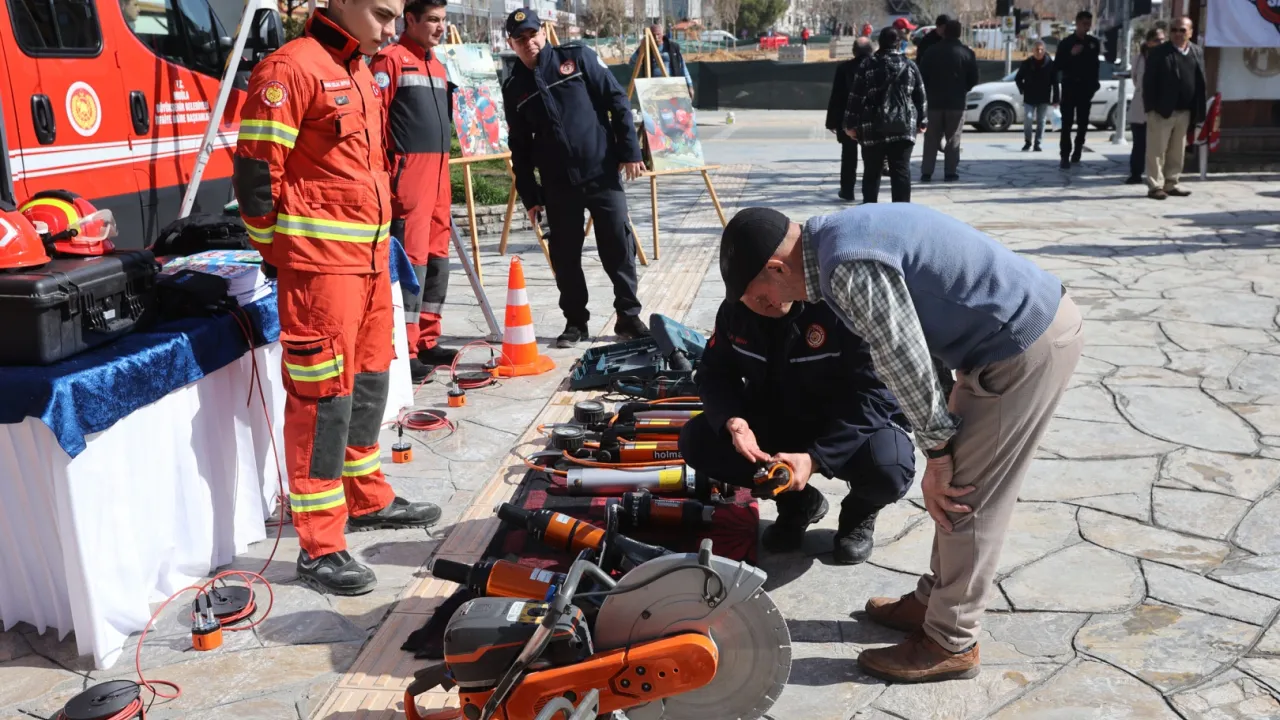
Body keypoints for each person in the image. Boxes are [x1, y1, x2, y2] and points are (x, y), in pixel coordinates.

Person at [718, 203, 1082, 683]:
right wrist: (943, 439)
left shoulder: (846, 267)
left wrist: (938, 455)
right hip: (1004, 339)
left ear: (776, 268)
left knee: (966, 500)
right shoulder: (834, 237)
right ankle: (935, 601)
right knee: (960, 490)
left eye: (757, 293)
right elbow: (917, 340)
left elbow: (902, 361)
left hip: (1019, 344)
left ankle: (951, 641)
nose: (762, 304)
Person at [234, 0, 442, 596]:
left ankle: (366, 496)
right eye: (381, 14)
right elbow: (256, 178)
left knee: (370, 381)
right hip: (321, 272)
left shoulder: (358, 69)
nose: (391, 29)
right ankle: (320, 545)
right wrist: (282, 251)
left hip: (370, 263)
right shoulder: (290, 69)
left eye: (396, 16)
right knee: (323, 400)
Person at [679, 298, 915, 565]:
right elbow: (714, 374)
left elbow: (877, 394)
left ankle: (859, 513)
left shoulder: (843, 306)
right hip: (778, 417)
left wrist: (816, 458)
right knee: (698, 440)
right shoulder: (734, 311)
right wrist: (733, 420)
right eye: (746, 293)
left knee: (890, 468)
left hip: (846, 424)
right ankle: (798, 503)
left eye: (762, 288)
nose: (761, 301)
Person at [502, 9, 648, 347]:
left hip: (601, 172)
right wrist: (531, 196)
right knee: (565, 255)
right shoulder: (514, 88)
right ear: (511, 44)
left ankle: (628, 315)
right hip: (558, 184)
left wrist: (630, 152)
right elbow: (519, 147)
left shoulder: (577, 58)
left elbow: (617, 101)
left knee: (618, 245)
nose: (529, 42)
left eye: (533, 34)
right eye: (520, 39)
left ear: (543, 32)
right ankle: (575, 322)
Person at [371, 0, 455, 385]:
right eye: (433, 20)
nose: (440, 27)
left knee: (438, 258)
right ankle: (405, 349)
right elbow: (375, 122)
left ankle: (427, 338)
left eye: (443, 19)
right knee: (413, 260)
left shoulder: (436, 65)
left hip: (438, 176)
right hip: (410, 180)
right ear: (411, 19)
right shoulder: (390, 61)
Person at [844, 27, 927, 204]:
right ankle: (901, 212)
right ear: (898, 43)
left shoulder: (867, 65)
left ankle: (870, 210)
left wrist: (850, 124)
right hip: (903, 126)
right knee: (901, 171)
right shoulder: (910, 65)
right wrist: (922, 121)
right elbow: (920, 96)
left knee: (871, 172)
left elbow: (856, 96)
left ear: (879, 43)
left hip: (872, 126)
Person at [1143, 16, 1205, 201]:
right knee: (1157, 150)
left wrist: (1198, 110)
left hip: (1185, 111)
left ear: (1190, 33)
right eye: (1174, 30)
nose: (1178, 34)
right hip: (1161, 111)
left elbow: (1200, 80)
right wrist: (1151, 108)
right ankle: (1155, 186)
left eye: (1182, 30)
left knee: (1177, 151)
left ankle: (1171, 183)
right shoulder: (1159, 52)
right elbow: (1149, 82)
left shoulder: (1196, 51)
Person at [916, 19, 976, 182]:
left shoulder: (931, 51)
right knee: (953, 138)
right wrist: (962, 89)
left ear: (944, 32)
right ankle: (950, 171)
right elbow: (973, 79)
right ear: (959, 33)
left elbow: (922, 76)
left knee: (931, 138)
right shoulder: (966, 53)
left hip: (933, 102)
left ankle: (926, 171)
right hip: (956, 103)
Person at [826, 36, 874, 202]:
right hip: (871, 118)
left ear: (854, 51)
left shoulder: (844, 68)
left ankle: (847, 190)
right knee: (871, 157)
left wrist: (832, 121)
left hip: (847, 118)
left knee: (848, 156)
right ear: (871, 50)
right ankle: (869, 194)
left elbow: (836, 97)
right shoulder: (877, 66)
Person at [1054, 11, 1101, 169]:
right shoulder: (1066, 43)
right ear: (1077, 23)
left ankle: (1078, 149)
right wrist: (1071, 54)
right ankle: (1064, 155)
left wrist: (1094, 85)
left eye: (1089, 24)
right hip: (1070, 87)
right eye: (1084, 24)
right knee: (1066, 123)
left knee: (1083, 123)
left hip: (1085, 88)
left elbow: (1095, 66)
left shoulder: (1093, 43)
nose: (1086, 27)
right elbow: (1058, 65)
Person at [1125, 27, 1164, 184]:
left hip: (1159, 107)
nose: (1160, 43)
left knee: (1157, 145)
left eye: (1162, 40)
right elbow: (1135, 79)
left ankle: (1156, 175)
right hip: (1140, 106)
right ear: (1148, 42)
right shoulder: (1139, 58)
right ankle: (1135, 173)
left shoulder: (1166, 57)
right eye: (1157, 40)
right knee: (1139, 143)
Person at [1015, 40, 1059, 152]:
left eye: (1041, 49)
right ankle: (1028, 142)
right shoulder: (1027, 63)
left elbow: (1055, 82)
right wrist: (1023, 89)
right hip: (1029, 97)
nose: (1039, 52)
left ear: (1044, 50)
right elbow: (1018, 78)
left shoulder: (1050, 64)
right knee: (1028, 118)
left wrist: (1056, 99)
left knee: (1041, 121)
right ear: (1033, 50)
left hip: (1044, 97)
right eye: (1037, 49)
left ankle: (1037, 143)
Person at [630, 23, 694, 98]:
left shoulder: (673, 47)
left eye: (658, 34)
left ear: (663, 33)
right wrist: (642, 48)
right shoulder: (645, 48)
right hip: (653, 88)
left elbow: (683, 67)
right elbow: (632, 62)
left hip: (672, 86)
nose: (656, 37)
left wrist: (690, 85)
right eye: (653, 35)